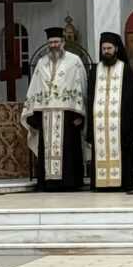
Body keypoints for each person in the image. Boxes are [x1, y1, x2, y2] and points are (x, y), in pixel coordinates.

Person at [23, 27, 87, 191]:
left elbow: (81, 87)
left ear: (63, 42)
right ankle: (48, 182)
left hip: (68, 115)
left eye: (56, 42)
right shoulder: (41, 62)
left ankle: (69, 182)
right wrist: (33, 114)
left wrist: (80, 114)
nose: (54, 45)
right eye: (51, 42)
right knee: (46, 149)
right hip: (46, 115)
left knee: (69, 149)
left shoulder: (74, 61)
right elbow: (35, 87)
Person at [85, 32, 133, 191]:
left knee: (122, 153)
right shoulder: (95, 71)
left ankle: (122, 184)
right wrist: (90, 126)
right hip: (99, 126)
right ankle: (101, 184)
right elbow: (90, 98)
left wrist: (130, 125)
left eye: (109, 48)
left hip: (121, 126)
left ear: (116, 49)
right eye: (104, 49)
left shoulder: (125, 70)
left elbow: (131, 100)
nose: (106, 51)